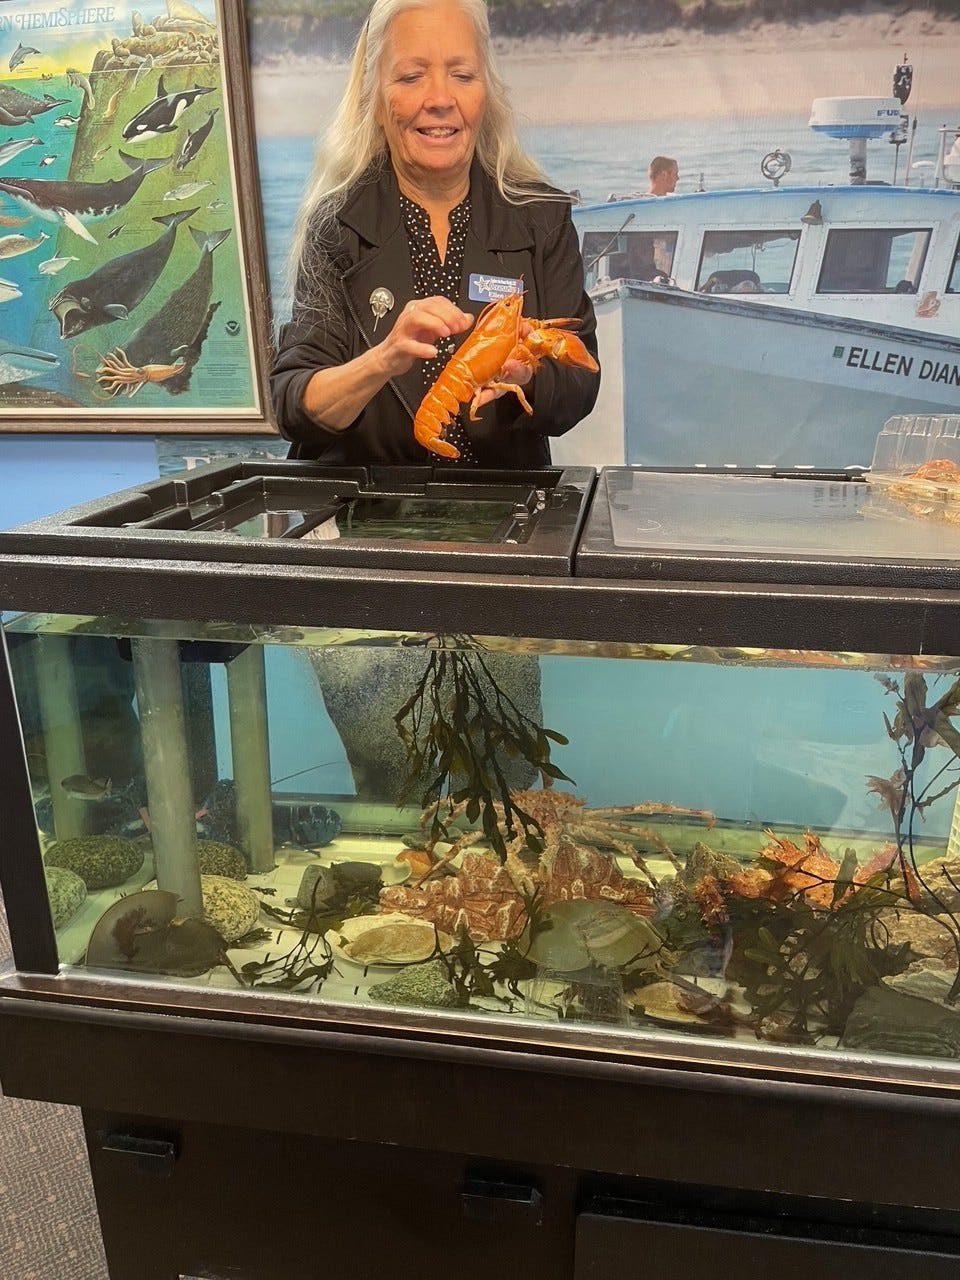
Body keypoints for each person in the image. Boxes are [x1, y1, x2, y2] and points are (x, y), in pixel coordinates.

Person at [270, 0, 599, 467]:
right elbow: (292, 403)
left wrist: (525, 377)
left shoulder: (541, 216)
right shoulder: (336, 226)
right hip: (367, 514)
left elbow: (580, 384)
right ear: (376, 101)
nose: (441, 98)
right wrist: (382, 359)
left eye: (462, 76)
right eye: (411, 77)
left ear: (486, 94)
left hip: (501, 509)